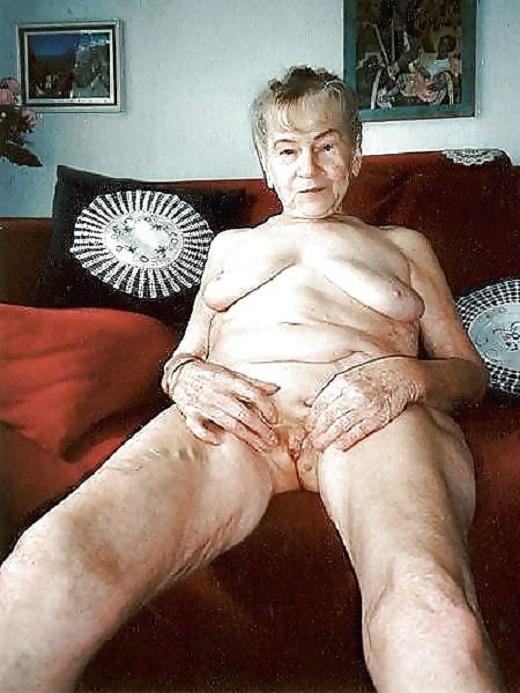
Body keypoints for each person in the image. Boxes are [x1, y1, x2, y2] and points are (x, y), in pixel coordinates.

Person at [0, 66, 505, 692]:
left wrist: (404, 377)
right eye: (288, 150)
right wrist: (187, 380)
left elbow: (468, 374)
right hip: (240, 423)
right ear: (265, 164)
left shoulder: (403, 245)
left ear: (355, 153)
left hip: (370, 423)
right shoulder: (229, 248)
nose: (309, 168)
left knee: (431, 606)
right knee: (50, 556)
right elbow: (184, 357)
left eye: (327, 145)